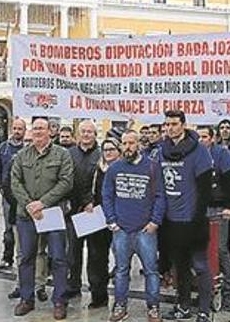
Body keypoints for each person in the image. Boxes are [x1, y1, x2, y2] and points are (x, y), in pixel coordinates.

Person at [11, 117, 74, 320]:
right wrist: (30, 204)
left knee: (58, 258)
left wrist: (43, 203)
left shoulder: (62, 155)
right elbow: (15, 182)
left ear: (50, 131)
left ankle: (59, 301)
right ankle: (26, 299)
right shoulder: (22, 155)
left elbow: (66, 182)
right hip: (27, 215)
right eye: (35, 128)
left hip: (53, 215)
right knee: (26, 257)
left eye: (42, 128)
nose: (37, 131)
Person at [104, 130, 165, 322]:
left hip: (145, 230)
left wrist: (155, 221)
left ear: (139, 144)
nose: (127, 147)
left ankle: (153, 308)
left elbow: (160, 196)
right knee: (121, 271)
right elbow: (107, 195)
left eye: (131, 143)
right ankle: (120, 305)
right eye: (124, 143)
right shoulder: (114, 168)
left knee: (151, 271)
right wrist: (111, 220)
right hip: (121, 229)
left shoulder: (152, 167)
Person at [160, 110, 213, 322]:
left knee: (200, 266)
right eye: (167, 124)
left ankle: (204, 311)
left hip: (193, 220)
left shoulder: (199, 151)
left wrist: (198, 219)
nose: (170, 128)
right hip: (172, 221)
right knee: (180, 268)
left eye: (174, 124)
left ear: (183, 125)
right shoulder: (162, 150)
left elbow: (205, 189)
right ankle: (182, 307)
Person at [197, 125, 230, 309]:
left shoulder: (222, 154)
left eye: (204, 136)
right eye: (198, 137)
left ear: (212, 138)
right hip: (199, 210)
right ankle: (206, 289)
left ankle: (228, 291)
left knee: (220, 250)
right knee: (202, 251)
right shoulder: (194, 155)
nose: (201, 140)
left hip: (219, 209)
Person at [66, 120, 102, 301]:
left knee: (95, 254)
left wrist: (92, 202)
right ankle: (73, 286)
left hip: (94, 211)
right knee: (72, 253)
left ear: (95, 134)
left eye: (90, 132)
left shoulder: (102, 154)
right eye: (83, 131)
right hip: (73, 211)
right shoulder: (69, 153)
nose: (86, 134)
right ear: (78, 134)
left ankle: (97, 290)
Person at [87, 137, 122, 311]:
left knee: (121, 260)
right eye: (105, 149)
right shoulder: (97, 170)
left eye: (112, 149)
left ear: (119, 151)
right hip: (99, 217)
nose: (108, 152)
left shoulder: (124, 168)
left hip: (120, 218)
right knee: (96, 258)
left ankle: (121, 300)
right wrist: (89, 203)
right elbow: (90, 191)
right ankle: (98, 296)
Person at [0, 118, 27, 275]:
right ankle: (7, 257)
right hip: (7, 195)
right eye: (15, 128)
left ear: (25, 130)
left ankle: (25, 257)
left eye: (20, 128)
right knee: (8, 228)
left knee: (24, 227)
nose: (17, 131)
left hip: (25, 195)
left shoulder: (28, 147)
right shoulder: (3, 148)